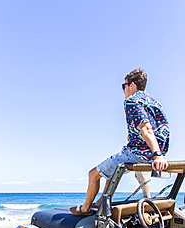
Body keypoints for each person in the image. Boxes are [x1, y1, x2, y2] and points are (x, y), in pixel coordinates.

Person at [70, 68, 169, 215]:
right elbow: (161, 128)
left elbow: (146, 129)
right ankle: (99, 203)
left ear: (132, 85)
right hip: (153, 150)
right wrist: (158, 151)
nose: (123, 90)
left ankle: (85, 209)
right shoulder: (154, 102)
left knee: (92, 174)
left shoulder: (132, 100)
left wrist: (157, 155)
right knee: (111, 170)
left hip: (141, 152)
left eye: (124, 86)